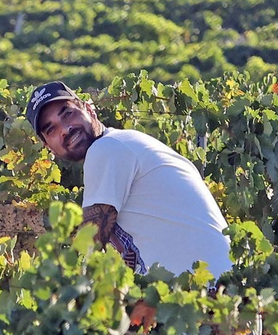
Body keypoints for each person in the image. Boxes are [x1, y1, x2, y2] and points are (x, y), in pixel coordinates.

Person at [27, 80, 232, 280]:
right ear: (48, 146)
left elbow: (90, 243)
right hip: (216, 288)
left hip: (206, 293)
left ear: (89, 109)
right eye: (51, 129)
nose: (64, 129)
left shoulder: (107, 149)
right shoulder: (123, 143)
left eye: (68, 113)